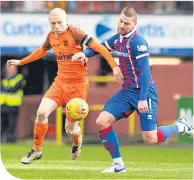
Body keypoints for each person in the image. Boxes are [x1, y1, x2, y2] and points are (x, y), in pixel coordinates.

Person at [72, 7, 193, 173]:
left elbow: (145, 73)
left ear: (134, 24)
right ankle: (118, 165)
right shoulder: (118, 38)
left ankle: (181, 126)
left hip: (144, 92)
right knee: (102, 121)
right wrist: (85, 54)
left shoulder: (138, 42)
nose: (122, 25)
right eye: (120, 21)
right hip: (126, 92)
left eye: (126, 23)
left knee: (150, 138)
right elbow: (99, 48)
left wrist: (142, 98)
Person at [7, 8, 123, 164]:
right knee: (41, 113)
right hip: (60, 83)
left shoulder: (75, 32)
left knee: (70, 129)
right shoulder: (51, 36)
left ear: (66, 20)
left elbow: (100, 48)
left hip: (78, 86)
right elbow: (41, 51)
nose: (56, 26)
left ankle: (77, 142)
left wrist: (114, 66)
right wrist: (21, 62)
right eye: (53, 23)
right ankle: (36, 150)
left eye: (59, 22)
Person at [0, 64, 26, 143]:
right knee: (2, 124)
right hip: (3, 105)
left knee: (12, 124)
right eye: (9, 68)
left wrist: (7, 88)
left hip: (13, 105)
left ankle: (11, 140)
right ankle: (1, 139)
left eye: (13, 68)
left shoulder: (19, 78)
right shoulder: (3, 78)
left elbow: (14, 89)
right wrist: (7, 88)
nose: (11, 70)